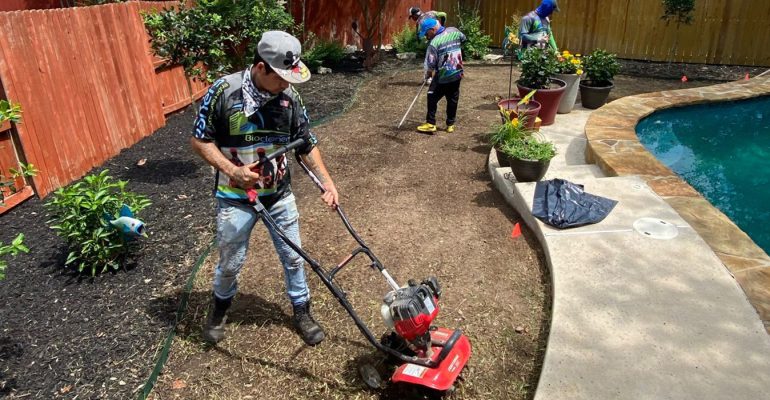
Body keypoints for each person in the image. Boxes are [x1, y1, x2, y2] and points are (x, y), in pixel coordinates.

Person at [191, 30, 339, 347]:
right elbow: (200, 139)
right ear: (261, 68)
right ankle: (219, 309)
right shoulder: (223, 92)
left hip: (279, 196)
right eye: (281, 78)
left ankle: (302, 311)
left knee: (294, 257)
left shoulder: (289, 99)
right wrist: (233, 170)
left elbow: (306, 144)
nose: (287, 84)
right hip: (235, 199)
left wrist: (326, 181)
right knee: (231, 260)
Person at [416, 18, 466, 134]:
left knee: (431, 96)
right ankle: (450, 125)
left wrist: (428, 74)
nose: (426, 36)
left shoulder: (434, 43)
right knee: (452, 98)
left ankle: (430, 123)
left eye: (427, 33)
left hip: (443, 76)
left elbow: (431, 64)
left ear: (433, 29)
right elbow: (463, 39)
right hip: (457, 72)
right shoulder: (454, 31)